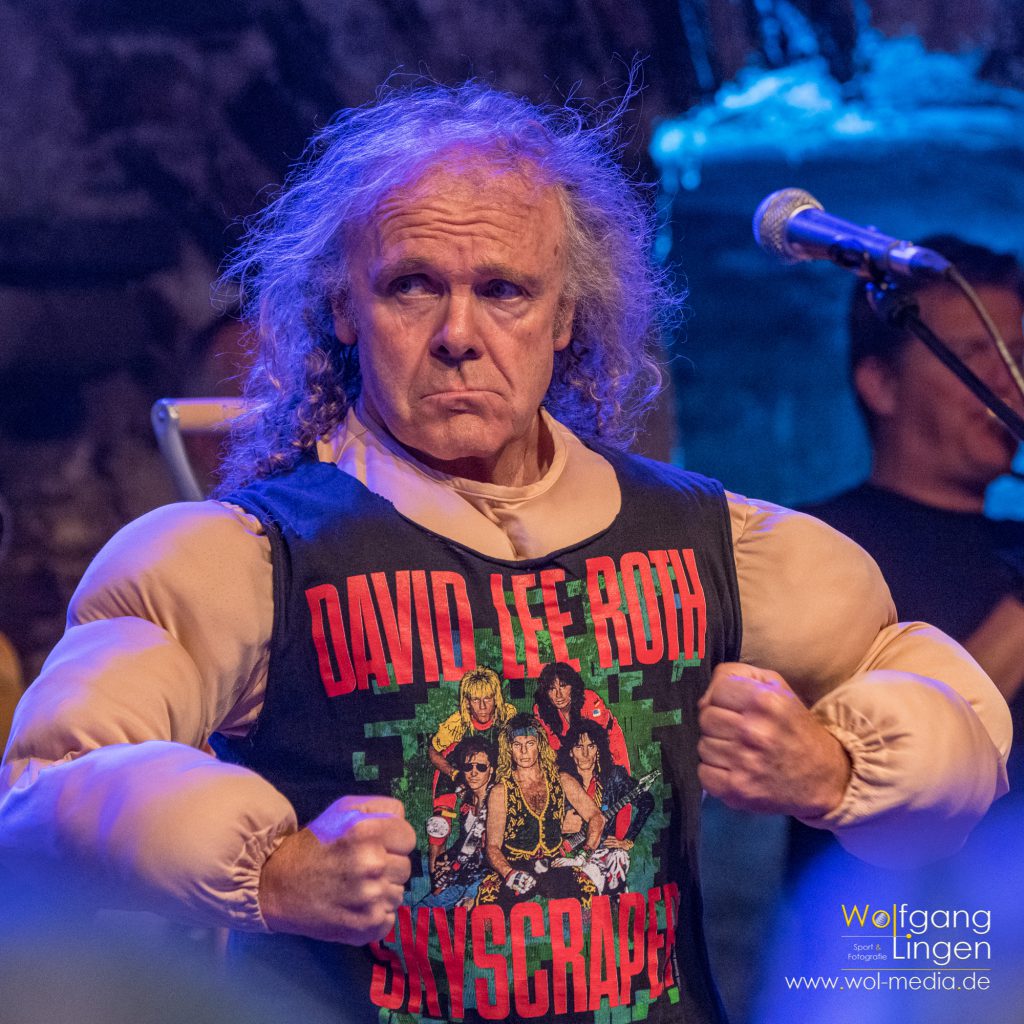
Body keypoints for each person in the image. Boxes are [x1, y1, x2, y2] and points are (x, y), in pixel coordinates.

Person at [0, 84, 1011, 1024]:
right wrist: (268, 874)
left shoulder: (719, 543)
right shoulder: (242, 558)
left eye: (504, 291)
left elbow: (960, 723)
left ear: (566, 316)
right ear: (343, 307)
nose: (458, 333)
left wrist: (833, 767)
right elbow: (45, 790)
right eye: (411, 286)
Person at [791, 234, 1024, 871]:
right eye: (974, 356)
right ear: (882, 385)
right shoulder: (815, 544)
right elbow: (878, 757)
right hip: (891, 922)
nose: (1009, 384)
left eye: (1017, 357)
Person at [476, 713, 602, 910]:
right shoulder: (501, 791)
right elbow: (492, 847)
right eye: (517, 744)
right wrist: (509, 873)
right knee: (486, 911)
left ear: (540, 745)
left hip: (555, 865)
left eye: (530, 743)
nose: (524, 751)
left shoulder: (562, 780)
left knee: (591, 901)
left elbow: (597, 817)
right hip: (515, 866)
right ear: (509, 748)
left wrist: (584, 854)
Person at [425, 666, 514, 870]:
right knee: (438, 828)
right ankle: (435, 876)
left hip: (490, 772)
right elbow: (433, 752)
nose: (482, 707)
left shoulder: (507, 716)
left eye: (488, 699)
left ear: (496, 698)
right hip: (454, 773)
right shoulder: (457, 723)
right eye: (476, 700)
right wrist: (454, 774)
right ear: (467, 701)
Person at [557, 717, 657, 894]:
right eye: (579, 747)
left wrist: (628, 839)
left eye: (591, 746)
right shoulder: (561, 782)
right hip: (571, 853)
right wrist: (560, 825)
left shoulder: (614, 777)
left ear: (598, 749)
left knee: (618, 858)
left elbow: (647, 801)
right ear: (571, 752)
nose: (585, 753)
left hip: (606, 851)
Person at [422, 736, 496, 907]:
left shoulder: (496, 799)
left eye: (481, 767)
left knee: (459, 910)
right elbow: (464, 842)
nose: (474, 773)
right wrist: (447, 860)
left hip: (487, 876)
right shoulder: (467, 802)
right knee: (420, 909)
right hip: (464, 872)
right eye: (469, 767)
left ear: (491, 770)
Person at [533, 660, 631, 770]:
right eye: (552, 689)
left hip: (607, 741)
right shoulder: (541, 710)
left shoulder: (589, 699)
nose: (558, 695)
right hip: (573, 751)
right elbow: (553, 745)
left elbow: (600, 739)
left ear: (573, 686)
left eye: (563, 686)